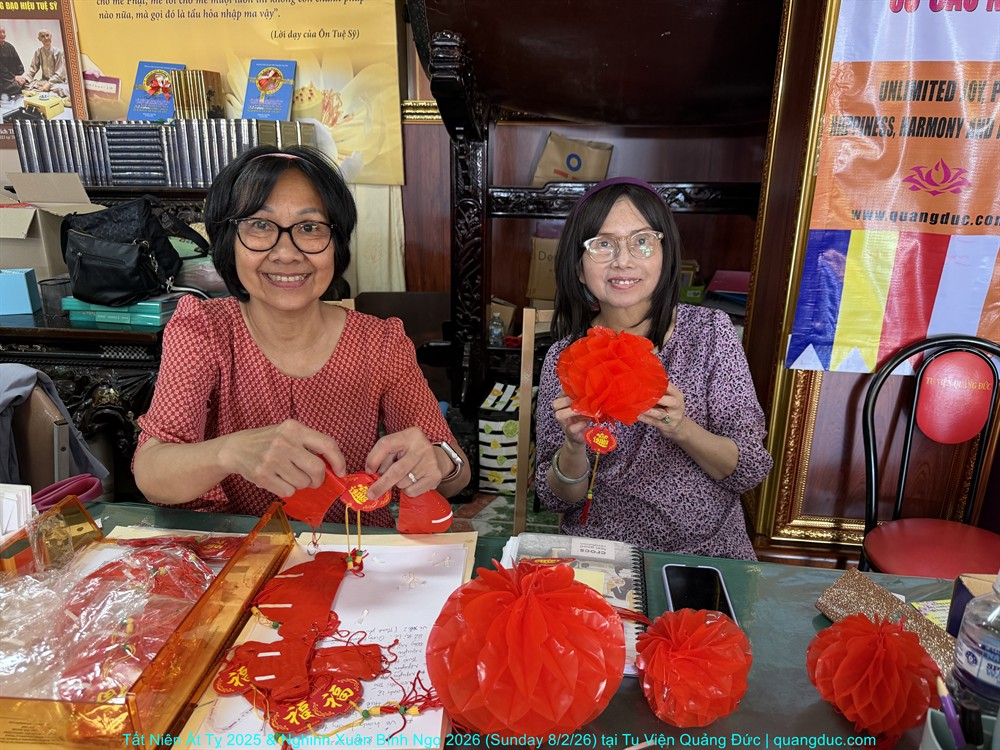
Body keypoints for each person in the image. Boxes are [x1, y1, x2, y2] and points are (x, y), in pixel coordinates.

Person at [133, 145, 471, 525]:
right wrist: (228, 452)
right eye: (260, 225)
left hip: (354, 551)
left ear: (336, 243)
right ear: (229, 239)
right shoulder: (203, 330)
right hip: (231, 552)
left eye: (309, 228)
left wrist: (439, 461)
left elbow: (455, 476)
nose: (286, 253)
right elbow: (151, 473)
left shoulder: (381, 344)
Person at [534, 177, 772, 560]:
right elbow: (557, 498)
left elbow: (749, 469)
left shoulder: (710, 333)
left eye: (642, 241)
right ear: (578, 267)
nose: (623, 260)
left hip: (704, 551)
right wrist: (573, 445)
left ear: (665, 255)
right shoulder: (567, 358)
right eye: (602, 244)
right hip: (602, 553)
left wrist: (681, 428)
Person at [15, 29, 67, 97]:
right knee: (27, 85)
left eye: (47, 35)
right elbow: (32, 69)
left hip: (57, 82)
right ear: (39, 39)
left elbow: (60, 73)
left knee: (61, 89)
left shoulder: (58, 52)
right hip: (44, 81)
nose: (46, 38)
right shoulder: (38, 52)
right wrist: (23, 78)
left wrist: (49, 84)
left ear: (51, 36)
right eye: (43, 36)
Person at [0, 26, 25, 101]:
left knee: (24, 82)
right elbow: (2, 69)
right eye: (0, 32)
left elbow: (18, 62)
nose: (2, 34)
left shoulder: (9, 46)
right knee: (15, 86)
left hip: (13, 77)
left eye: (3, 32)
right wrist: (14, 77)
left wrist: (21, 76)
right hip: (3, 78)